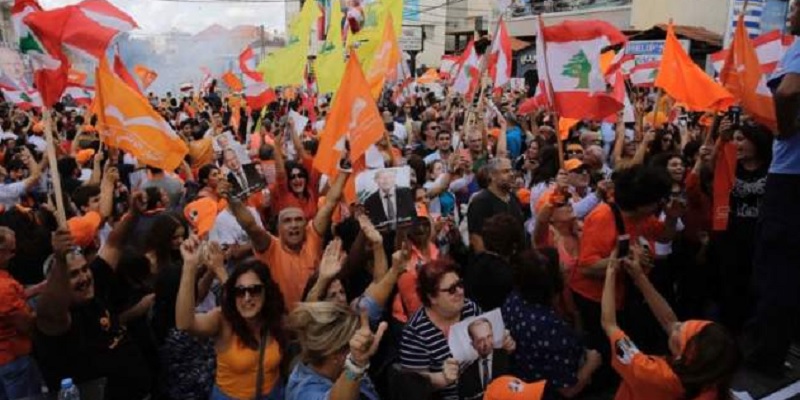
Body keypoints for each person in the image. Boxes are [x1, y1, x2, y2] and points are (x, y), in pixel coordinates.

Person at [36, 203, 151, 399]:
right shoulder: (57, 318)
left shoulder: (93, 285)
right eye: (73, 274)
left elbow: (114, 244)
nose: (84, 278)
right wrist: (60, 259)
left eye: (84, 269)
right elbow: (50, 310)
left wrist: (133, 212)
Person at [601, 247, 740, 399]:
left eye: (679, 330)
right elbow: (669, 321)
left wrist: (611, 271)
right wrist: (639, 277)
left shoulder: (646, 371)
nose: (676, 325)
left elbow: (609, 324)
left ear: (682, 355)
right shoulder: (710, 376)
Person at [748, 0, 800, 374]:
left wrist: (785, 127)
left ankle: (767, 355)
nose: (791, 9)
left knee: (776, 266)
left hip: (790, 177)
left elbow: (787, 92)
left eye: (797, 5)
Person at [176, 236, 287, 400]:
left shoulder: (274, 318)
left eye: (255, 290)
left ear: (266, 292)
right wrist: (189, 265)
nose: (247, 298)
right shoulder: (223, 319)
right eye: (240, 291)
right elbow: (185, 324)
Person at [227, 170, 348, 311]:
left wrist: (344, 171)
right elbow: (250, 226)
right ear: (278, 229)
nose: (294, 225)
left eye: (298, 220)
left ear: (305, 225)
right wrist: (230, 197)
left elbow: (330, 204)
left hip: (319, 316)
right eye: (287, 221)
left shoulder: (312, 237)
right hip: (286, 320)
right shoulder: (271, 248)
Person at [399, 259, 516, 400]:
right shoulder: (415, 333)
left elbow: (491, 353)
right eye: (451, 290)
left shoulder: (470, 308)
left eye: (460, 284)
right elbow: (413, 387)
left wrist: (504, 345)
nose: (460, 292)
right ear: (432, 297)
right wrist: (442, 378)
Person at [502, 249, 601, 399]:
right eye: (560, 266)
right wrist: (591, 364)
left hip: (522, 382)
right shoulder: (551, 327)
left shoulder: (513, 299)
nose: (565, 267)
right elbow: (567, 389)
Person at [285, 302, 387, 400]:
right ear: (336, 355)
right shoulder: (303, 392)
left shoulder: (344, 371)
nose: (360, 346)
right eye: (353, 345)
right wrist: (356, 365)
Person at [0, 227, 42, 400]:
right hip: (14, 361)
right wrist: (47, 307)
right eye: (11, 251)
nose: (14, 256)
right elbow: (26, 324)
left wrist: (39, 288)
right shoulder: (4, 288)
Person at [467, 157, 524, 253]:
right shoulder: (480, 202)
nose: (511, 174)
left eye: (511, 170)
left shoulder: (514, 198)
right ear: (492, 175)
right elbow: (476, 239)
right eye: (505, 171)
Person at [458, 318, 510, 400]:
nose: (486, 343)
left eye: (489, 336)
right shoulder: (466, 373)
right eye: (480, 340)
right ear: (473, 344)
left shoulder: (507, 356)